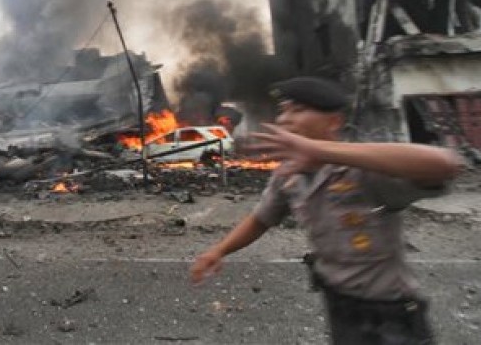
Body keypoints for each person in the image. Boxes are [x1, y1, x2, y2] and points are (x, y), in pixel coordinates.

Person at [190, 76, 463, 345]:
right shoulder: (288, 174)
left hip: (390, 314)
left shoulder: (362, 172)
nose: (284, 120)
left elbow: (444, 165)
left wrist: (319, 150)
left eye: (297, 110)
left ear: (334, 121)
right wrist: (219, 250)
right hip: (339, 307)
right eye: (283, 110)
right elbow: (261, 218)